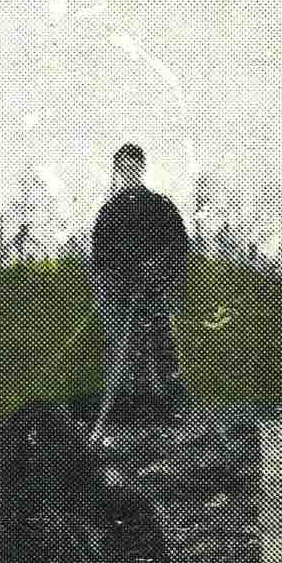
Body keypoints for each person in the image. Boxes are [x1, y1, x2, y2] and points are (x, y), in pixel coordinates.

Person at [88, 143, 191, 426]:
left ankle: (171, 413)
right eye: (124, 168)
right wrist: (119, 279)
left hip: (156, 296)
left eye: (134, 167)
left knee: (162, 352)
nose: (129, 172)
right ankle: (123, 414)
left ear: (142, 169)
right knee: (123, 356)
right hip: (121, 298)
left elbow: (180, 247)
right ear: (118, 171)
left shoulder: (162, 207)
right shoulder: (109, 212)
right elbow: (100, 258)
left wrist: (159, 270)